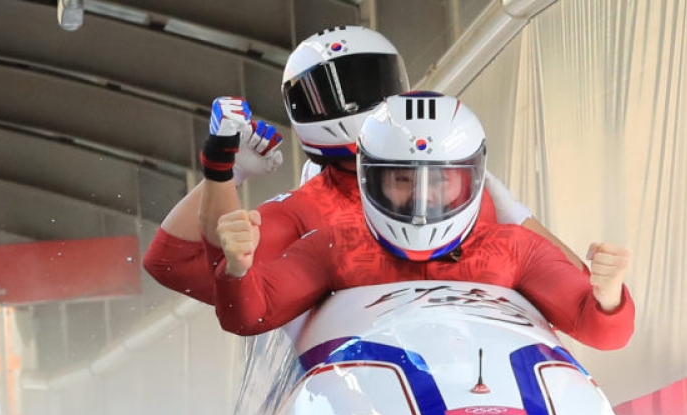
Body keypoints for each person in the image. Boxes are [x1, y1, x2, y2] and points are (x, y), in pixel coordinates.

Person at [144, 25, 582, 306]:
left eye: (369, 82)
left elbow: (574, 285)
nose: (423, 194)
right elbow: (176, 263)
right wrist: (224, 176)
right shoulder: (308, 207)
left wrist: (512, 211)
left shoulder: (465, 189)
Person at [207, 92, 634, 351]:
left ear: (472, 181)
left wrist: (609, 295)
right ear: (368, 181)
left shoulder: (513, 250)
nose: (422, 199)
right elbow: (252, 315)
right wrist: (238, 269)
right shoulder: (336, 247)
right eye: (401, 180)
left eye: (441, 182)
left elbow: (600, 330)